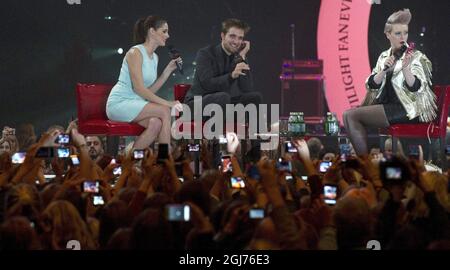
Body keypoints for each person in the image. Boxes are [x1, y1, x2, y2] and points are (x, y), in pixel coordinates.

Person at [343, 9, 436, 156]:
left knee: (352, 116)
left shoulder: (416, 56)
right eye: (398, 33)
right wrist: (383, 71)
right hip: (389, 106)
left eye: (405, 33)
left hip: (408, 109)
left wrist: (406, 69)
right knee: (348, 115)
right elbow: (371, 84)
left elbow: (416, 87)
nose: (403, 37)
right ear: (388, 35)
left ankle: (364, 165)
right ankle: (364, 163)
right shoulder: (384, 56)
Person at [106, 15, 183, 150]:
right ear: (152, 31)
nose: (168, 35)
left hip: (136, 102)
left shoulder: (155, 57)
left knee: (155, 124)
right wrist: (169, 103)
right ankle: (164, 160)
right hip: (120, 103)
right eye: (164, 31)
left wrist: (168, 71)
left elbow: (149, 91)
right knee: (164, 111)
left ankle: (129, 162)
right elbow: (139, 89)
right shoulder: (135, 53)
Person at [184, 18, 262, 121]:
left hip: (222, 104)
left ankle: (254, 137)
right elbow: (208, 84)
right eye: (232, 36)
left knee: (254, 97)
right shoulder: (205, 54)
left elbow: (246, 88)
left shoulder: (238, 57)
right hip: (196, 104)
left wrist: (242, 56)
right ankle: (217, 137)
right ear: (222, 36)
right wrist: (231, 76)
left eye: (240, 38)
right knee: (223, 97)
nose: (236, 42)